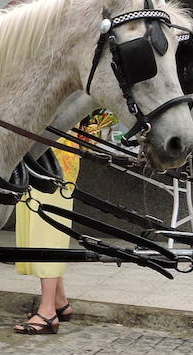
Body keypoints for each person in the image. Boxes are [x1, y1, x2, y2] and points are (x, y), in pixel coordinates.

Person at [12, 110, 116, 335]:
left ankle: (48, 311)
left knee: (47, 230)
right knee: (42, 225)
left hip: (53, 159)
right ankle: (59, 301)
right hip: (43, 153)